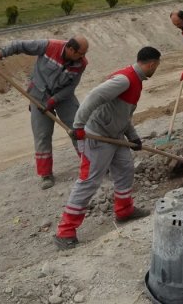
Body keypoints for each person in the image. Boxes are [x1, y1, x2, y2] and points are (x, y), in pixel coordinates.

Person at [53, 46, 162, 250]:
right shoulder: (125, 79)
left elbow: (123, 114)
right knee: (89, 181)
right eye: (156, 66)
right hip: (98, 136)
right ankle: (65, 231)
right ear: (151, 64)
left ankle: (124, 210)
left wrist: (133, 137)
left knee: (125, 169)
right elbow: (93, 96)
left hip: (115, 136)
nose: (155, 69)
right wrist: (78, 125)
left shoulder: (135, 81)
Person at [0, 36, 89, 190]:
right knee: (42, 134)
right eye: (81, 53)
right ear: (71, 49)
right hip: (38, 95)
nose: (83, 57)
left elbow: (71, 87)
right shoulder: (48, 46)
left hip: (63, 97)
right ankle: (46, 174)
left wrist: (54, 100)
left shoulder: (81, 63)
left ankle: (90, 164)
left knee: (77, 128)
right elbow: (19, 45)